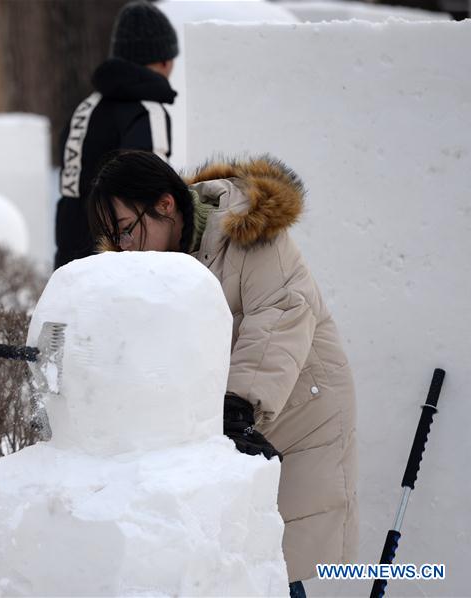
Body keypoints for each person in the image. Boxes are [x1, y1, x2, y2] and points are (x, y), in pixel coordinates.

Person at [86, 150, 358, 598]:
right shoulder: (157, 258)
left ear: (165, 205)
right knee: (227, 556)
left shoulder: (247, 232)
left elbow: (281, 313)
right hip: (232, 419)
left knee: (272, 557)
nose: (125, 246)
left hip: (297, 406)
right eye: (114, 236)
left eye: (128, 228)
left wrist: (239, 406)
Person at [54, 0, 179, 269]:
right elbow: (152, 197)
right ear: (164, 60)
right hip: (121, 267)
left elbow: (70, 190)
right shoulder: (148, 112)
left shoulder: (85, 108)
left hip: (68, 266)